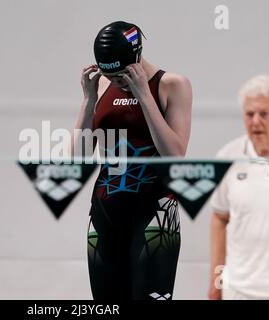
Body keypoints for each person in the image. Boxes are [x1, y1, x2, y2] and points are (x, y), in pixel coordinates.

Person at [73, 21, 192, 299]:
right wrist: (89, 101)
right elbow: (76, 160)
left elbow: (175, 154)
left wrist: (143, 95)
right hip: (105, 215)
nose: (115, 82)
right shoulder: (101, 86)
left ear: (136, 58)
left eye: (121, 75)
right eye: (109, 74)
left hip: (155, 216)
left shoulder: (172, 85)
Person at [208, 75, 269, 300]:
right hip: (239, 291)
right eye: (249, 114)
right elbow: (219, 218)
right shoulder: (228, 156)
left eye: (264, 114)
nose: (256, 121)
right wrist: (215, 282)